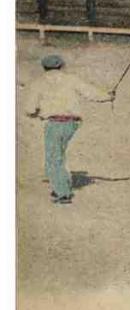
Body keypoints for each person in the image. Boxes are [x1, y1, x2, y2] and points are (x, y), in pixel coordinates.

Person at [24, 55, 115, 204]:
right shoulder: (71, 79)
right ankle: (61, 185)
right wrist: (108, 96)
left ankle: (63, 193)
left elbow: (29, 109)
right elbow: (91, 93)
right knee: (59, 155)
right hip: (72, 124)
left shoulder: (38, 83)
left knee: (53, 159)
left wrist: (35, 113)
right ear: (61, 66)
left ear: (44, 67)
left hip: (54, 123)